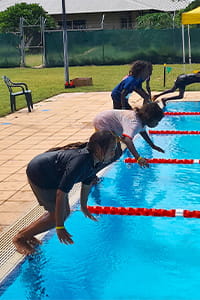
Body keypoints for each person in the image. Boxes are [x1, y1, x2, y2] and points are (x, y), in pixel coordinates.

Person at [13, 130, 121, 255]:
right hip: (40, 174)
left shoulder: (95, 160)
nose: (113, 153)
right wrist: (59, 226)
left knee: (63, 212)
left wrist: (84, 207)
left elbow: (86, 184)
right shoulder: (81, 162)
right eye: (111, 149)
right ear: (98, 148)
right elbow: (61, 193)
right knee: (57, 216)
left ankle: (28, 234)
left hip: (49, 173)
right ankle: (20, 238)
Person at [93, 102, 165, 168]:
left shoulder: (141, 120)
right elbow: (127, 140)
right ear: (150, 118)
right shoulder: (135, 124)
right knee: (109, 151)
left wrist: (152, 145)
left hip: (107, 120)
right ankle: (93, 170)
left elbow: (143, 132)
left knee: (116, 152)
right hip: (103, 122)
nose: (157, 124)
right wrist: (138, 158)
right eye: (157, 122)